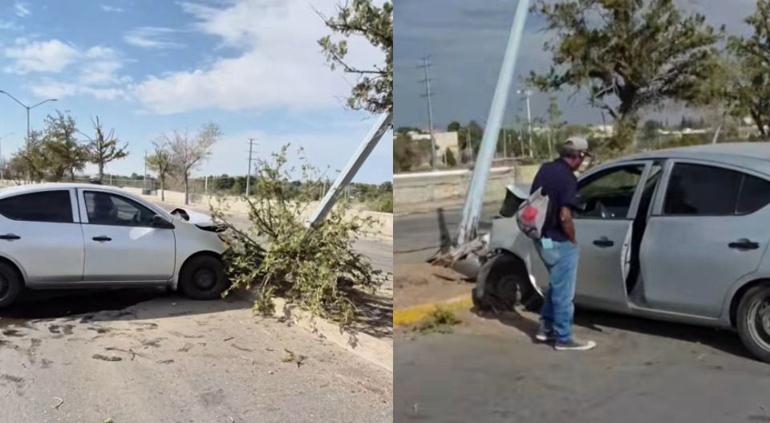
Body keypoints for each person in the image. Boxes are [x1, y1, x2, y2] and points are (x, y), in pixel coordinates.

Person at [529, 136, 596, 351]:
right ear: (578, 156)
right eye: (583, 156)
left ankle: (545, 329)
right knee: (564, 293)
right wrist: (573, 240)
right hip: (558, 240)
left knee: (556, 285)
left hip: (543, 240)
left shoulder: (546, 169)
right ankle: (564, 338)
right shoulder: (568, 178)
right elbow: (565, 216)